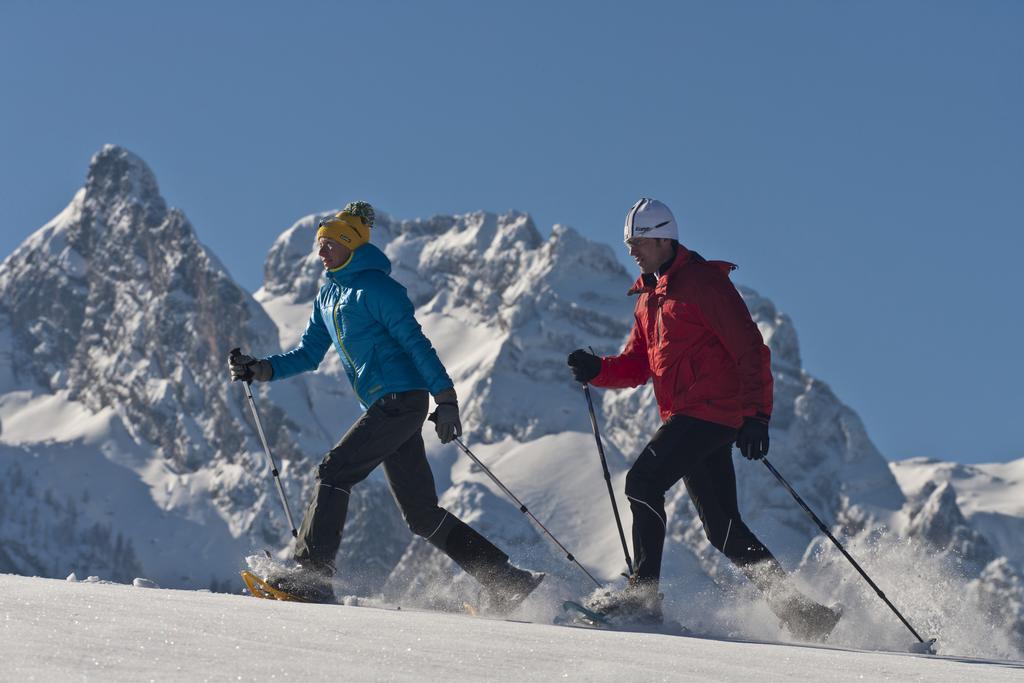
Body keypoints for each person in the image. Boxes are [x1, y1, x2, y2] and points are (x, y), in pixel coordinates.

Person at [230, 201, 542, 611]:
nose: (321, 251)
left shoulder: (377, 290)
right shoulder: (328, 296)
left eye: (330, 244)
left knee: (334, 471)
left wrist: (446, 400)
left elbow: (417, 344)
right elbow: (308, 354)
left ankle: (312, 574)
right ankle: (507, 580)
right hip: (387, 404)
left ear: (350, 245)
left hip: (401, 401)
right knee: (421, 514)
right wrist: (262, 369)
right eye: (319, 244)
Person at [567, 198, 840, 640]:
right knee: (723, 528)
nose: (631, 251)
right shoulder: (648, 300)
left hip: (710, 413)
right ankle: (803, 614)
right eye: (628, 243)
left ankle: (644, 597)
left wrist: (757, 417)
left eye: (637, 242)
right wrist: (598, 371)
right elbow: (640, 365)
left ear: (662, 239)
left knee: (643, 482)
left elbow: (751, 349)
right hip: (689, 415)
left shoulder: (703, 285)